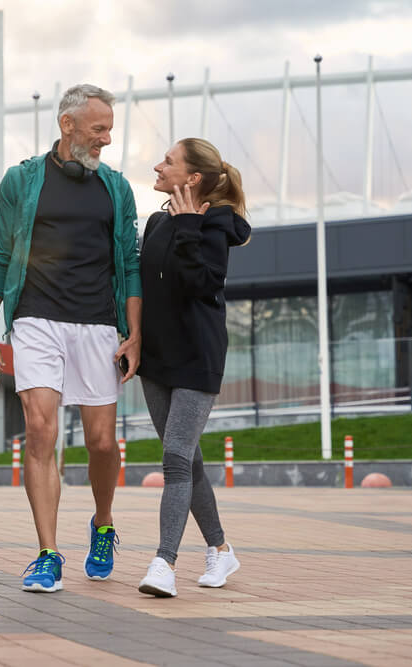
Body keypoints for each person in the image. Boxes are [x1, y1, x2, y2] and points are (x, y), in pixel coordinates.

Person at [0, 84, 142, 593]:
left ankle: (103, 522)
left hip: (96, 321)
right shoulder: (21, 181)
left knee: (100, 442)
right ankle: (47, 553)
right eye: (99, 129)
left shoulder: (116, 187)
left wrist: (134, 334)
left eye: (110, 129)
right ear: (67, 125)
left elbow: (130, 265)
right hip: (35, 317)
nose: (107, 139)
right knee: (41, 431)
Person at [135, 138, 251, 597]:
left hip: (198, 358)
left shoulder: (217, 224)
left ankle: (164, 562)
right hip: (157, 358)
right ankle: (221, 550)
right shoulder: (158, 221)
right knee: (190, 461)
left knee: (175, 459)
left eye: (168, 161)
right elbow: (146, 286)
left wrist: (188, 225)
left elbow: (202, 284)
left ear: (193, 177)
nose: (157, 165)